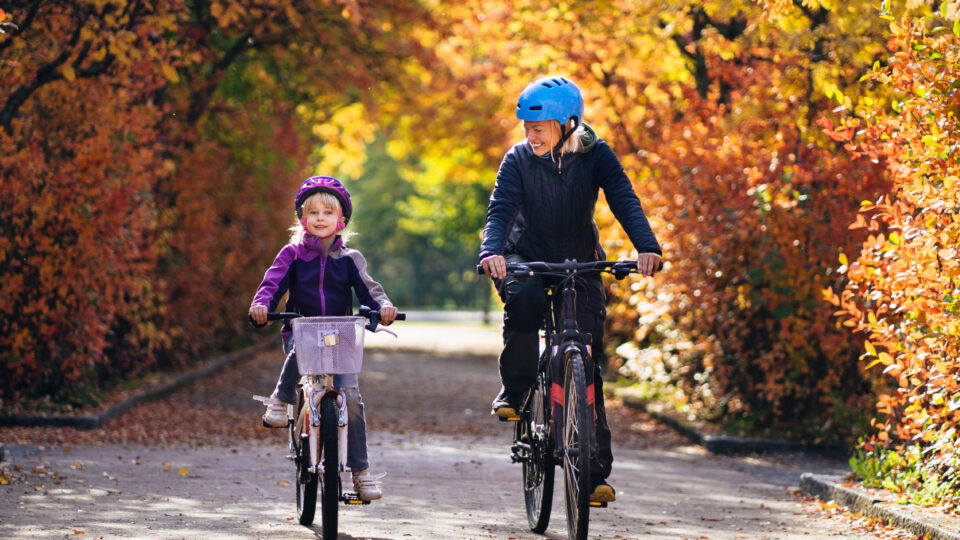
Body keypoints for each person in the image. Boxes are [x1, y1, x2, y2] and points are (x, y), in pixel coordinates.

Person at [478, 76, 662, 504]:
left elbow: (623, 198)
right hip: (525, 256)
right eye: (525, 127)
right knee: (522, 300)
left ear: (567, 123)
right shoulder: (518, 159)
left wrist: (646, 247)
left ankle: (594, 473)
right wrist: (493, 253)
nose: (529, 135)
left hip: (581, 260)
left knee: (587, 359)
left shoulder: (596, 155)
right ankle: (519, 389)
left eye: (537, 128)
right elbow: (501, 208)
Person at [249, 175, 397, 501]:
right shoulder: (292, 255)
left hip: (340, 338)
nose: (320, 218)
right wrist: (262, 305)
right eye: (312, 212)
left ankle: (361, 473)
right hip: (300, 331)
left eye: (328, 213)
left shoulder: (350, 259)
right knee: (302, 350)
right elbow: (272, 283)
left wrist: (383, 307)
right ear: (302, 218)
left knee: (353, 400)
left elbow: (370, 291)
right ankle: (282, 399)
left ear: (341, 220)